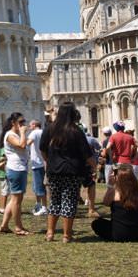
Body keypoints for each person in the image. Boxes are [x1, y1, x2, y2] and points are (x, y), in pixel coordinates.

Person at [40, 103, 95, 243]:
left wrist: (49, 161)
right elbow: (87, 153)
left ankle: (50, 233)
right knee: (69, 201)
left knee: (55, 201)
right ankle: (66, 235)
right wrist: (94, 167)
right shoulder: (76, 131)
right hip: (72, 171)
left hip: (54, 170)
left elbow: (42, 148)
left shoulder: (50, 129)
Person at [91, 164, 138, 242]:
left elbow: (105, 202)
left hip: (120, 235)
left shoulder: (115, 192)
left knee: (97, 223)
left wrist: (110, 186)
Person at [0, 113, 31, 236]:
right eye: (20, 122)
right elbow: (22, 145)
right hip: (16, 169)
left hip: (19, 168)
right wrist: (23, 132)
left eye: (24, 121)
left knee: (14, 199)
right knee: (17, 200)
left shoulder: (15, 134)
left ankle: (4, 225)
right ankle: (18, 227)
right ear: (13, 122)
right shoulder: (10, 135)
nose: (23, 124)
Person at [28, 120, 47, 216]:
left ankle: (44, 207)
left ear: (34, 125)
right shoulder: (44, 132)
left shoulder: (34, 133)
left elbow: (27, 143)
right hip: (43, 163)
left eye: (30, 125)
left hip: (37, 163)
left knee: (40, 187)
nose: (29, 126)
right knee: (37, 186)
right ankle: (38, 205)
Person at [83, 129, 101, 218]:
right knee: (91, 185)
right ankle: (91, 209)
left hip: (74, 165)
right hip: (88, 165)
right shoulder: (91, 139)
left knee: (74, 187)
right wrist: (94, 167)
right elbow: (98, 148)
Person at [0, 145, 9, 214]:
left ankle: (2, 208)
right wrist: (6, 160)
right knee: (5, 191)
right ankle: (2, 208)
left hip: (2, 173)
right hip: (3, 174)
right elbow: (1, 160)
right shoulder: (4, 148)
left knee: (4, 191)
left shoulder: (1, 148)